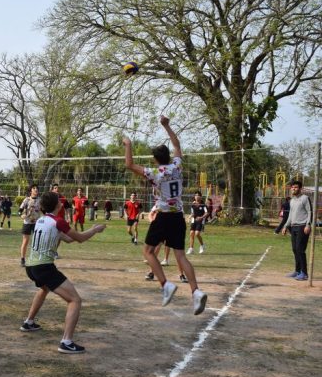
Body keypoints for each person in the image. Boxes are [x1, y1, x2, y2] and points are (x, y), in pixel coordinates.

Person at [123, 115, 207, 315]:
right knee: (180, 256)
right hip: (178, 217)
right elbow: (177, 144)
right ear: (169, 156)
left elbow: (129, 165)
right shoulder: (177, 166)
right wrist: (166, 126)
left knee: (148, 252)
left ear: (155, 159)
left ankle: (166, 285)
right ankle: (196, 291)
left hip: (163, 216)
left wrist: (128, 144)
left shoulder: (155, 172)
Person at [20, 191, 106, 354]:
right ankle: (66, 342)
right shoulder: (58, 221)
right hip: (44, 267)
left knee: (44, 288)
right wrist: (94, 229)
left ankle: (29, 322)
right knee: (75, 300)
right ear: (57, 205)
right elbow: (79, 238)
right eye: (59, 201)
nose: (61, 203)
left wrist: (85, 232)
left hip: (31, 266)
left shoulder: (41, 220)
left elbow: (68, 238)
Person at [282, 180, 313, 281]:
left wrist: (308, 225)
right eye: (292, 187)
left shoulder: (305, 198)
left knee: (300, 249)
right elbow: (290, 215)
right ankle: (297, 271)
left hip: (302, 226)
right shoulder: (292, 201)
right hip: (293, 227)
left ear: (300, 188)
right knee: (295, 249)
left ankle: (304, 273)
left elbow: (310, 211)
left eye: (295, 187)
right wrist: (285, 226)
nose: (293, 189)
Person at [18, 185, 41, 266]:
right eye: (34, 188)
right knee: (25, 241)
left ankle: (36, 259)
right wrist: (21, 215)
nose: (36, 189)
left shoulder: (40, 200)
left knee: (37, 242)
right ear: (31, 191)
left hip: (37, 223)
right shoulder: (26, 200)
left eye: (37, 188)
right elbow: (20, 210)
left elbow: (44, 210)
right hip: (27, 223)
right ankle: (22, 259)